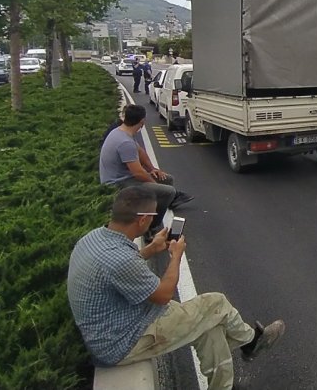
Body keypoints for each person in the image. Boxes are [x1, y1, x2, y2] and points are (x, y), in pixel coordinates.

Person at [68, 187, 285, 390]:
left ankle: (223, 384)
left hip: (116, 323)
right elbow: (163, 295)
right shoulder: (120, 259)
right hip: (121, 341)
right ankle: (251, 342)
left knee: (210, 326)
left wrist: (152, 249)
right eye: (154, 216)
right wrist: (176, 256)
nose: (155, 220)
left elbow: (118, 271)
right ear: (143, 219)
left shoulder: (95, 238)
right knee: (216, 303)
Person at [100, 104, 194, 233]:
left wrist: (153, 169)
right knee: (168, 191)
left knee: (167, 179)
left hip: (124, 176)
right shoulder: (125, 143)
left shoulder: (121, 131)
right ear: (142, 122)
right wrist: (154, 184)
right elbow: (138, 173)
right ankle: (150, 228)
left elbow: (140, 151)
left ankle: (164, 203)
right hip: (118, 183)